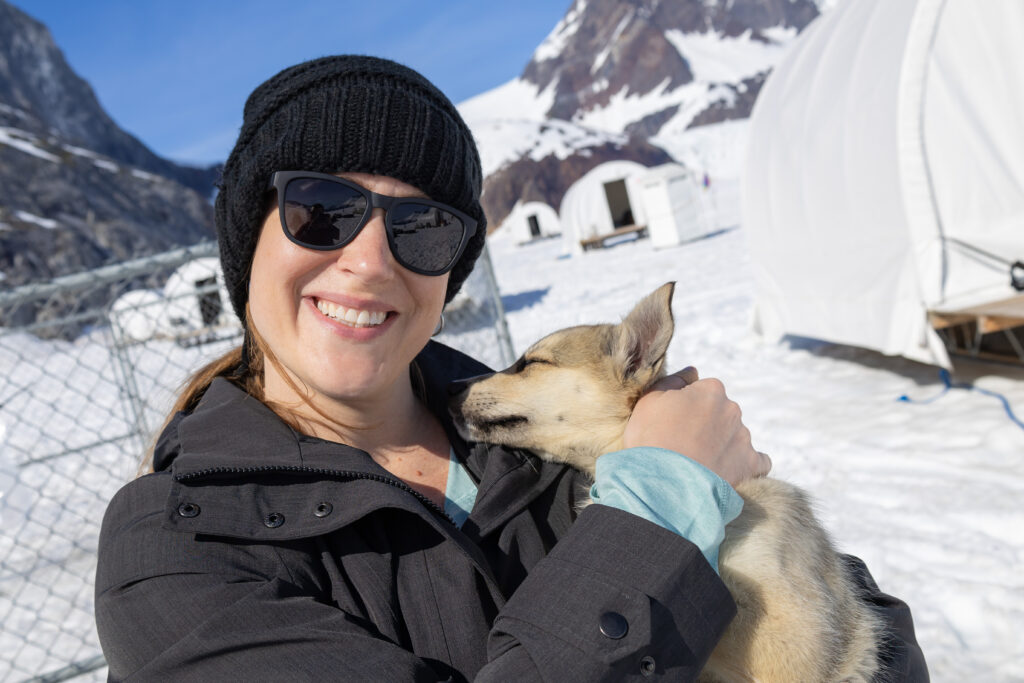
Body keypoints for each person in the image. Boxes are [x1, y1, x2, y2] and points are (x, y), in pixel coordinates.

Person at [95, 55, 927, 681]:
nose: (369, 259)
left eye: (420, 228)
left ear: (447, 273)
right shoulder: (174, 550)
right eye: (323, 210)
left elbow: (869, 632)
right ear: (249, 243)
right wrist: (665, 501)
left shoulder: (533, 448)